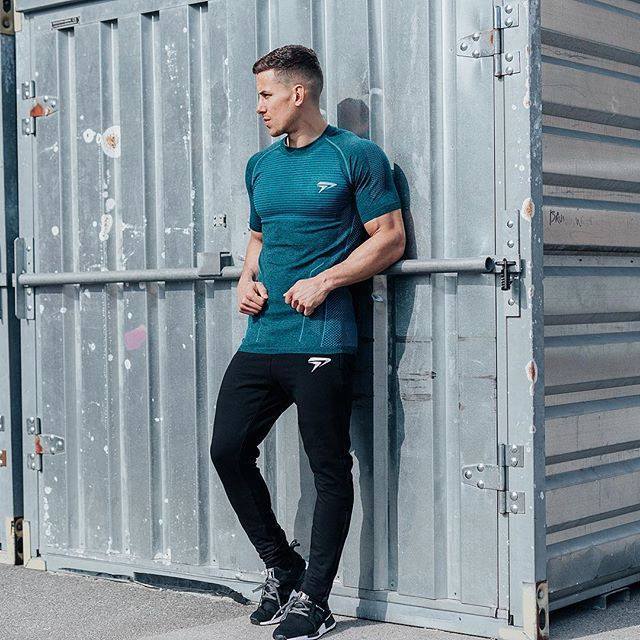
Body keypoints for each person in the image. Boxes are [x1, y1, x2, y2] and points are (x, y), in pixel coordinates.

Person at [210, 44, 405, 640]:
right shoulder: (260, 166)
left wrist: (326, 281)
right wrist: (246, 281)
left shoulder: (357, 156)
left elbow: (389, 239)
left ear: (299, 93)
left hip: (322, 337)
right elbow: (258, 238)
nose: (260, 107)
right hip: (263, 336)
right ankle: (282, 564)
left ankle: (316, 599)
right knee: (228, 449)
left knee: (328, 467)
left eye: (266, 94)